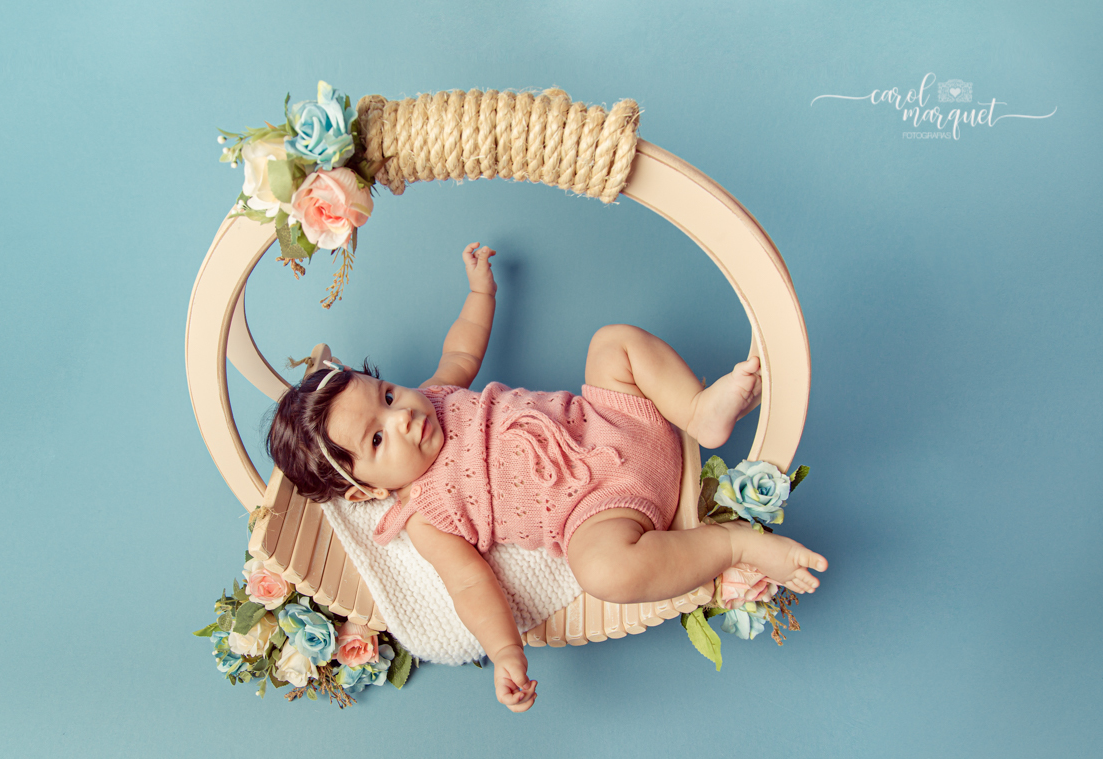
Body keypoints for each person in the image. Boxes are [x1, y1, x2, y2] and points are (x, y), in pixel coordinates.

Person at [267, 243, 827, 712]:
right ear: (367, 489)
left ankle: (699, 410)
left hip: (617, 419)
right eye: (377, 439)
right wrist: (506, 651)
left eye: (387, 395)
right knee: (602, 568)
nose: (404, 417)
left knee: (612, 343)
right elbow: (469, 587)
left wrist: (480, 294)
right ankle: (728, 546)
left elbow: (462, 347)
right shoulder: (430, 517)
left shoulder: (436, 394)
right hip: (605, 509)